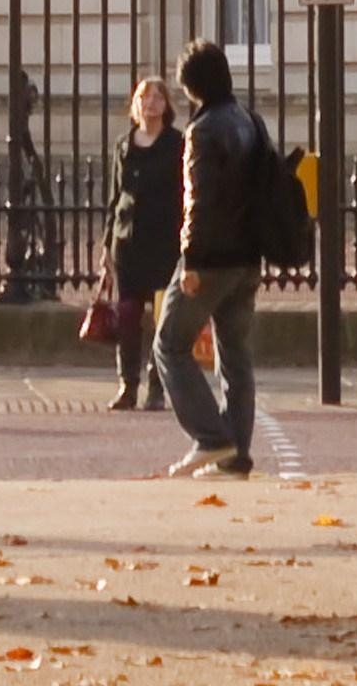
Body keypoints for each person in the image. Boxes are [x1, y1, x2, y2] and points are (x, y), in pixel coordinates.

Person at [154, 38, 266, 478]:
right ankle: (236, 453)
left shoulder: (203, 130)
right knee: (235, 355)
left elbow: (197, 201)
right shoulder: (249, 121)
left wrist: (192, 262)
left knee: (169, 344)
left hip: (213, 257)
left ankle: (211, 437)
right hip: (247, 257)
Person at [104, 77, 182, 412]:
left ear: (166, 105)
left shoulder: (177, 144)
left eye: (155, 97)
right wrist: (106, 246)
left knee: (163, 318)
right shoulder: (123, 145)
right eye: (142, 96)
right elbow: (114, 197)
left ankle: (156, 385)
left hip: (164, 241)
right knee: (127, 315)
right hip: (128, 242)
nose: (149, 102)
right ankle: (127, 384)